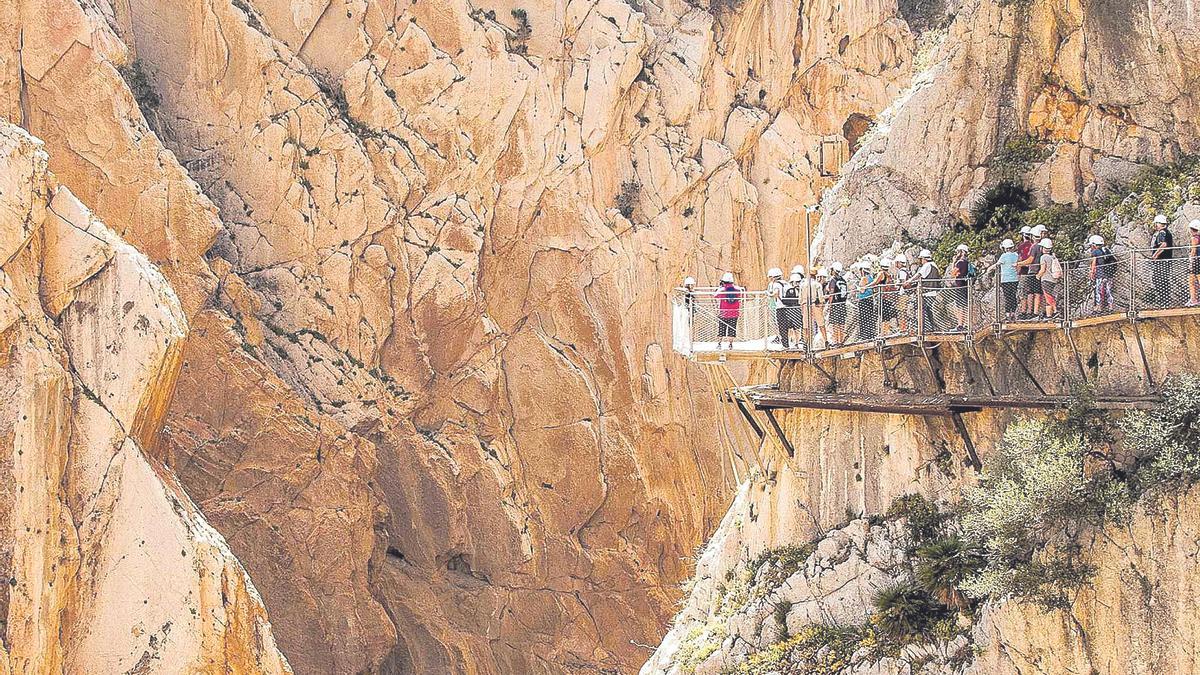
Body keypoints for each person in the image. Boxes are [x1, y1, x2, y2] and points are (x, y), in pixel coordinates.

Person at [907, 249, 941, 331]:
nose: (921, 261)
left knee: (921, 310)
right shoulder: (934, 265)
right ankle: (932, 328)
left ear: (924, 258)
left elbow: (918, 275)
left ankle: (923, 328)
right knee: (929, 311)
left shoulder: (927, 265)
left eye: (921, 259)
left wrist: (909, 281)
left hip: (927, 293)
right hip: (933, 292)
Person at [988, 239, 1019, 321]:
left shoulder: (1004, 256)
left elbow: (997, 264)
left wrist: (989, 269)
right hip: (1015, 279)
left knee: (1007, 297)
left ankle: (1008, 314)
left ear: (1005, 248)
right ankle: (1014, 313)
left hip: (1006, 280)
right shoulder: (1016, 255)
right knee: (1013, 296)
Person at [1018, 227, 1045, 318]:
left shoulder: (1034, 247)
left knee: (1031, 293)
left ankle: (1031, 312)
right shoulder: (1042, 246)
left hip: (1032, 272)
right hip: (1040, 271)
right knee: (1038, 292)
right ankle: (1036, 311)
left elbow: (1030, 259)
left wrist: (1019, 264)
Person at [1149, 214, 1174, 306]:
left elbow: (1163, 245)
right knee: (1162, 279)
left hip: (1162, 260)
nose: (1155, 225)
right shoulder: (1167, 232)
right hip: (1165, 260)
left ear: (1160, 223)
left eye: (1156, 223)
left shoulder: (1162, 233)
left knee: (1158, 279)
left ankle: (1163, 300)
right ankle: (1165, 300)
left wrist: (1155, 255)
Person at [1087, 235, 1117, 314]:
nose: (1091, 247)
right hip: (1109, 274)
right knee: (1108, 290)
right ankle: (1110, 307)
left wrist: (1091, 273)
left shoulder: (1095, 252)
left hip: (1100, 274)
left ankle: (1098, 308)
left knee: (1098, 291)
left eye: (1091, 245)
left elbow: (1093, 264)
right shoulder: (1106, 250)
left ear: (1094, 244)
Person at [716, 272, 742, 349]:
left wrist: (720, 287)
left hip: (723, 313)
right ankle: (730, 344)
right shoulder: (737, 289)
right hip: (734, 313)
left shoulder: (722, 290)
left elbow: (716, 295)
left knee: (721, 328)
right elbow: (741, 296)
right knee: (732, 329)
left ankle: (719, 344)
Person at [1037, 237, 1062, 319]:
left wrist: (1038, 276)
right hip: (1053, 279)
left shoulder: (1043, 257)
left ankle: (1055, 311)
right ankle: (1049, 315)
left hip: (1046, 279)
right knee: (1049, 296)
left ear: (1042, 248)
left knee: (1048, 297)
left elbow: (1043, 269)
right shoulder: (1052, 257)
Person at [824, 262, 848, 346]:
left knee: (835, 324)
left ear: (834, 270)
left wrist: (830, 306)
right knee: (841, 324)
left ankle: (835, 341)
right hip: (843, 304)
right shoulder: (843, 280)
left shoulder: (833, 280)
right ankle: (841, 341)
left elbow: (831, 294)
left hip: (835, 304)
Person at [948, 244, 971, 331]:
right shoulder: (966, 262)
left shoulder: (960, 263)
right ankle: (964, 324)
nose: (956, 253)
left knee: (959, 305)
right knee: (963, 305)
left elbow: (953, 273)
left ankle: (960, 325)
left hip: (960, 286)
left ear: (961, 252)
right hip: (965, 285)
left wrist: (953, 262)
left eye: (958, 252)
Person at [766, 267, 788, 348]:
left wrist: (768, 294)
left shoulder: (774, 284)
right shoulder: (785, 283)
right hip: (783, 305)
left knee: (776, 323)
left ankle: (780, 337)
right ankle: (781, 337)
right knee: (780, 323)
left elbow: (774, 294)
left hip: (775, 306)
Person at [782, 271, 805, 348]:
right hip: (794, 310)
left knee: (796, 327)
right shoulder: (792, 290)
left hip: (794, 310)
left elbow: (786, 301)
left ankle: (797, 342)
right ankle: (795, 342)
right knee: (793, 327)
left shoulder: (798, 290)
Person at [1016, 226, 1034, 316]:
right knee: (1030, 291)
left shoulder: (1021, 246)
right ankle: (1030, 311)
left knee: (1023, 292)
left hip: (1023, 271)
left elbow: (1019, 259)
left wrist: (1018, 273)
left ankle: (1023, 311)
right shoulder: (1033, 245)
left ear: (1023, 235)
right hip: (1033, 271)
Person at [1189, 220, 1200, 306]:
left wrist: (1190, 260)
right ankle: (1193, 299)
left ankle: (1194, 299)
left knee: (1192, 281)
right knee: (1195, 280)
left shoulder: (1194, 238)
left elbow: (1193, 250)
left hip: (1196, 261)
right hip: (1198, 260)